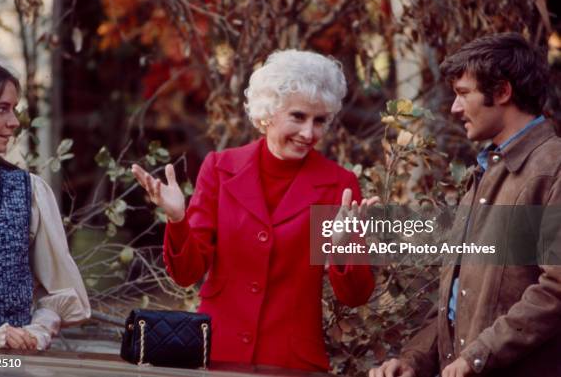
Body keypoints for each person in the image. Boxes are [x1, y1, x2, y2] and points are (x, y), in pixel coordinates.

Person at [132, 50, 375, 372]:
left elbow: (355, 296)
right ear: (268, 113)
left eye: (320, 121)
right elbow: (186, 274)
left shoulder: (338, 184)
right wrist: (177, 219)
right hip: (217, 353)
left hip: (291, 362)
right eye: (299, 117)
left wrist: (343, 248)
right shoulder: (220, 168)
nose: (309, 133)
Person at [370, 33, 561, 377]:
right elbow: (458, 298)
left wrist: (478, 355)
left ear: (502, 92)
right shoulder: (484, 172)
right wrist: (414, 359)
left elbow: (556, 289)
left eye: (463, 94)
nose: (455, 108)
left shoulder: (553, 168)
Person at [0, 54, 90, 350]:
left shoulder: (29, 190)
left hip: (11, 367)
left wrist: (38, 329)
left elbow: (61, 292)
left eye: (14, 110)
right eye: (1, 109)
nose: (14, 122)